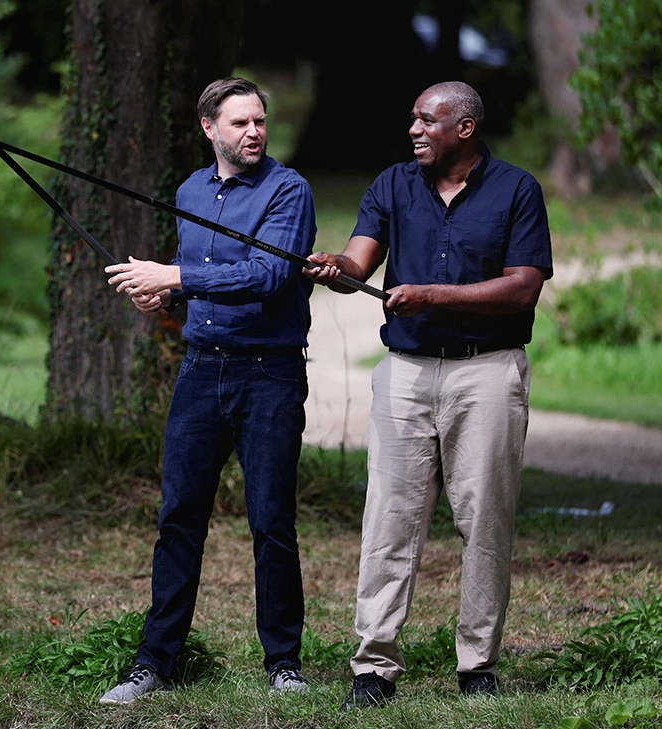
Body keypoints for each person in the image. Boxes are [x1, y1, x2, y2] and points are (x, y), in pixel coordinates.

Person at [304, 81, 552, 708]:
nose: (414, 130)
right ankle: (373, 665)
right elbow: (359, 262)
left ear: (463, 129)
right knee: (389, 517)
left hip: (487, 372)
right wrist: (334, 266)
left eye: (427, 120)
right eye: (412, 119)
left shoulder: (517, 190)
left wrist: (429, 293)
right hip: (405, 372)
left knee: (485, 520)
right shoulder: (391, 185)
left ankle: (478, 666)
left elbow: (523, 287)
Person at [99, 77, 316, 704]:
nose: (254, 132)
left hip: (269, 375)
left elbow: (270, 274)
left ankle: (284, 664)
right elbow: (198, 269)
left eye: (260, 121)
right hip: (201, 372)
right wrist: (164, 292)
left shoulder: (288, 190)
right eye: (240, 123)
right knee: (178, 518)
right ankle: (155, 663)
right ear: (209, 129)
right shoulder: (191, 190)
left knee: (271, 520)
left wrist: (177, 275)